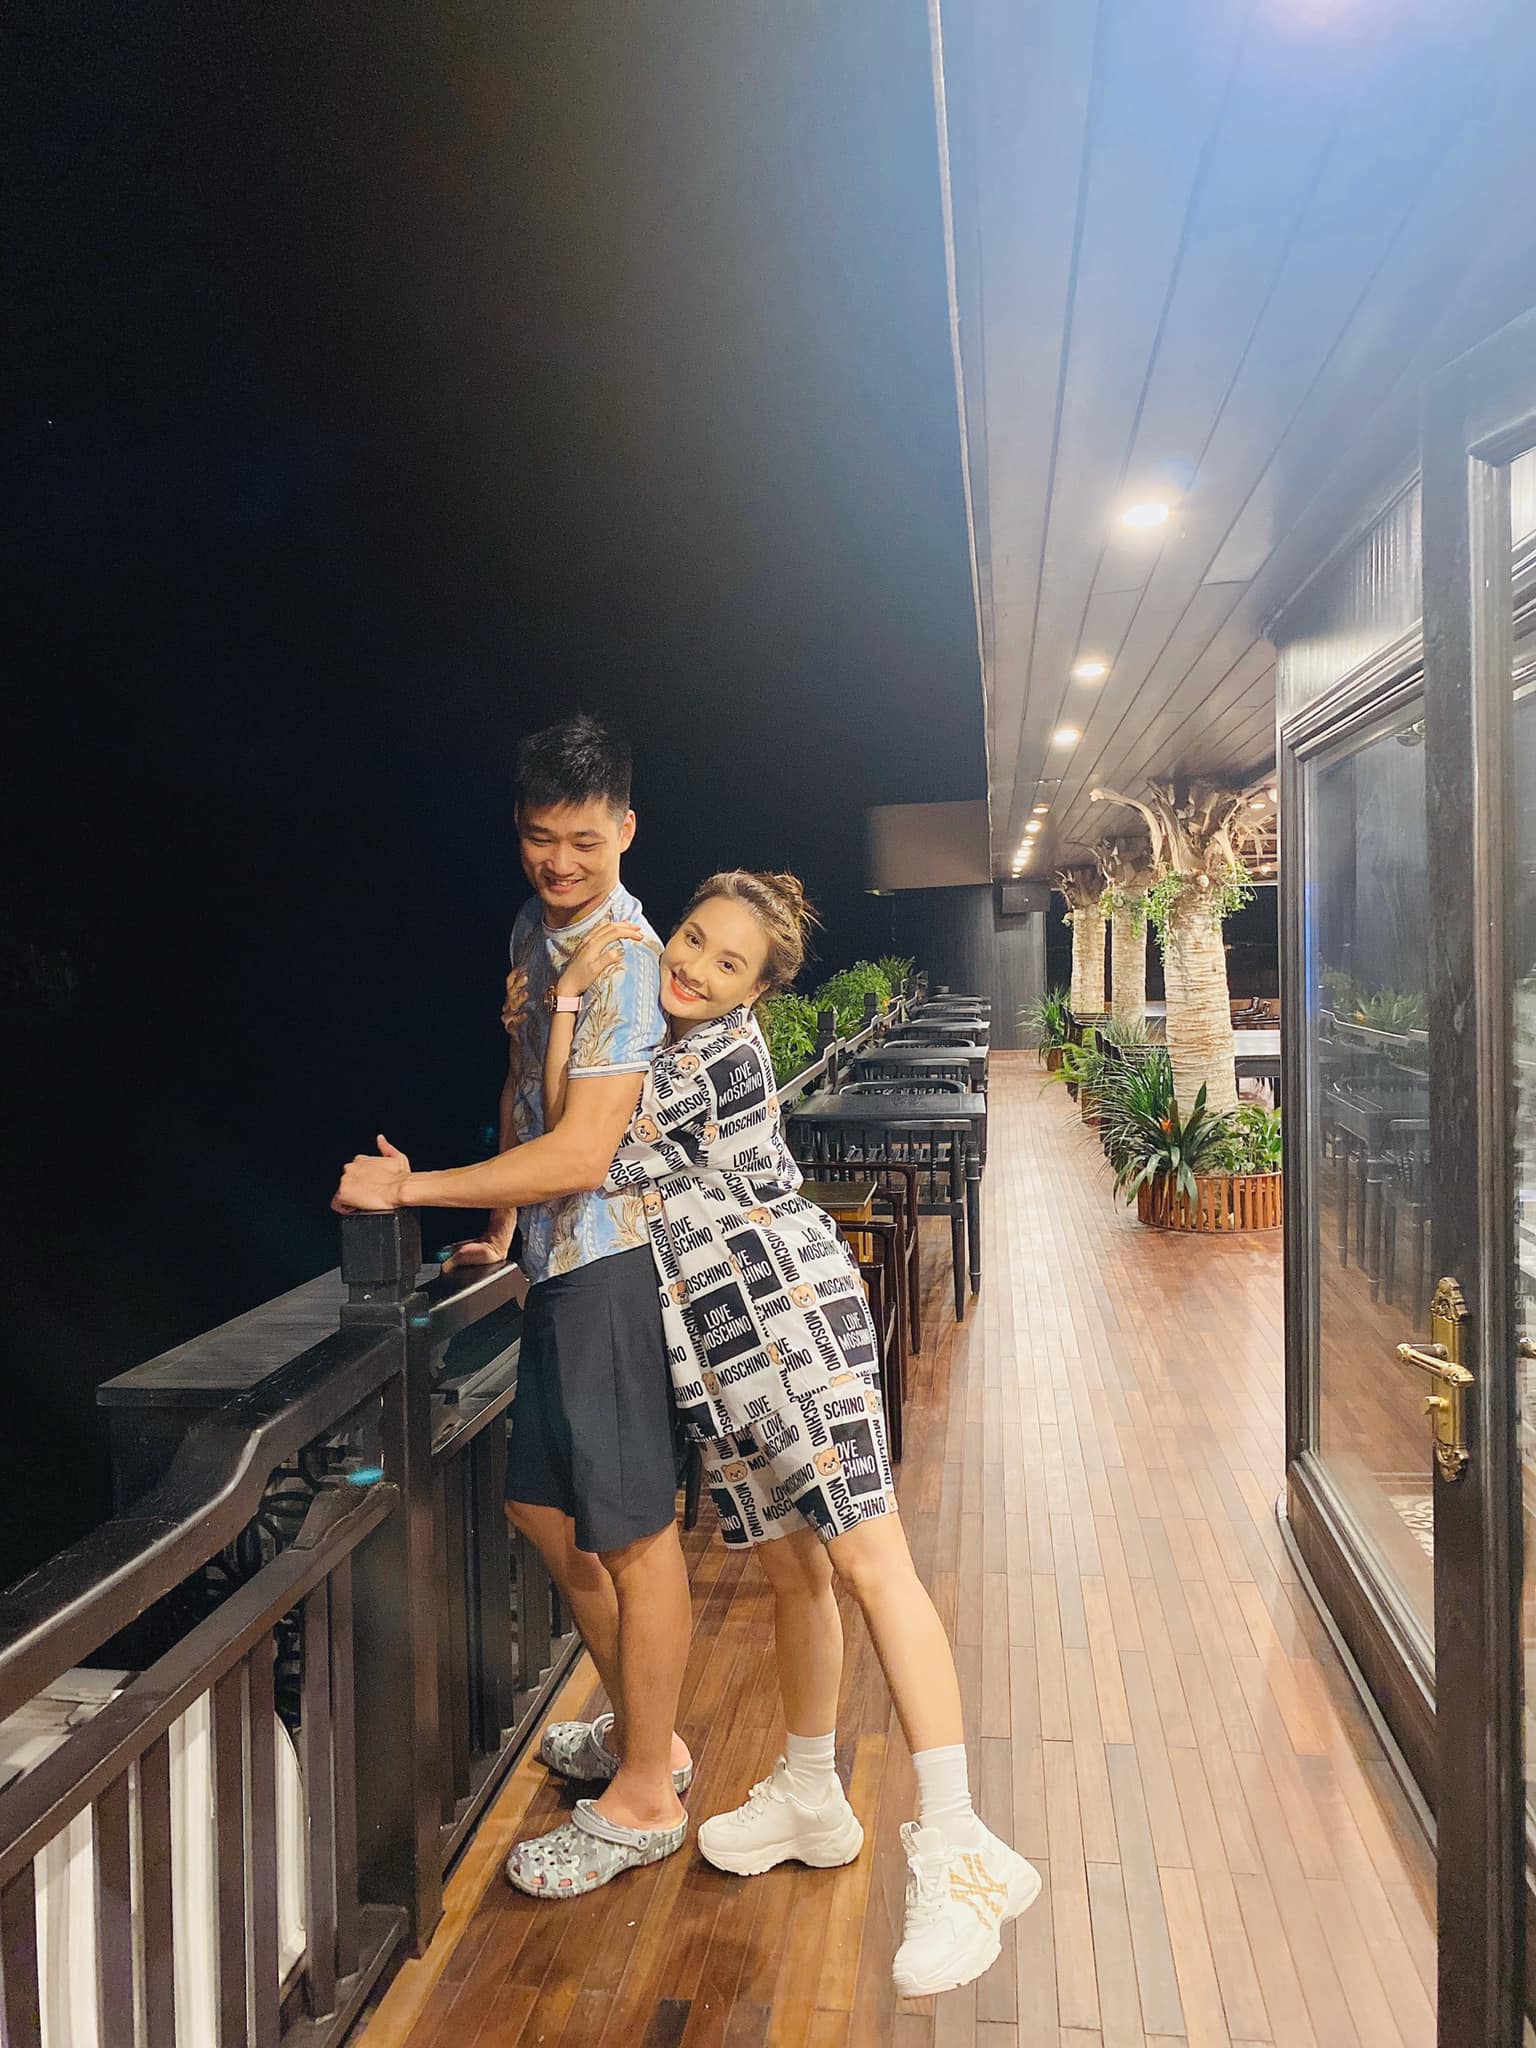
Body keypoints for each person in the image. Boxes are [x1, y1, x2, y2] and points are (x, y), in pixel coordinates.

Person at [543, 872, 1040, 1999]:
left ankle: (961, 1844)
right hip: (725, 1354)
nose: (692, 967)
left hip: (790, 1325)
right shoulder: (671, 1041)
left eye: (728, 964)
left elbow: (578, 1143)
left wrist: (569, 1002)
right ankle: (814, 1792)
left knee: (874, 1566)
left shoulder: (712, 1060)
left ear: (758, 991)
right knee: (792, 1572)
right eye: (690, 939)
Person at [334, 713, 693, 1898]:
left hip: (615, 1266)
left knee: (634, 1536)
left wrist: (410, 1189)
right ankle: (647, 1731)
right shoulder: (534, 931)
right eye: (542, 837)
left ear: (627, 828)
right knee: (543, 1510)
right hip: (551, 1260)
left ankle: (647, 1792)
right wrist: (494, 1228)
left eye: (585, 840)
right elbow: (523, 1087)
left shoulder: (629, 962)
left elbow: (584, 1152)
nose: (561, 860)